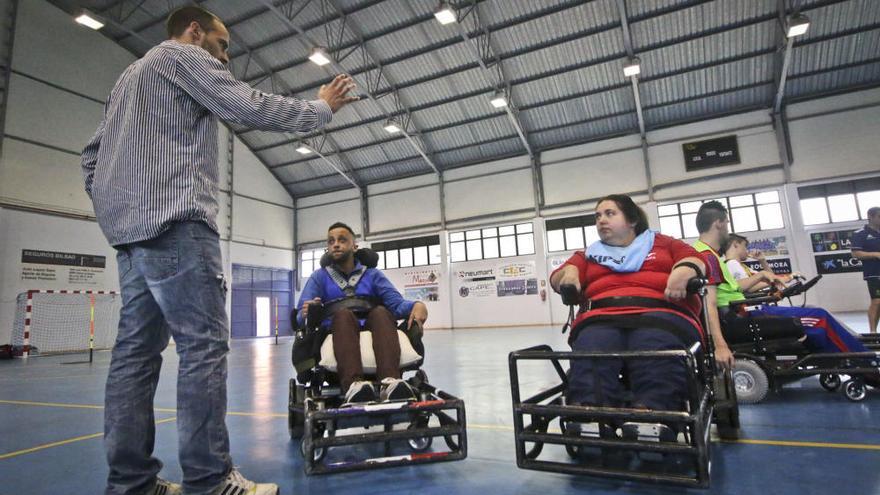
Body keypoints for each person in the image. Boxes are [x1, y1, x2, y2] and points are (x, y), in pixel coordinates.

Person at [80, 6, 357, 495]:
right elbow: (247, 106)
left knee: (134, 357)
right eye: (222, 43)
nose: (225, 56)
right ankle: (211, 482)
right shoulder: (181, 56)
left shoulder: (126, 79)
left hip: (130, 234)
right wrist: (321, 109)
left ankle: (131, 484)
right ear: (194, 32)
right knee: (203, 348)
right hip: (177, 223)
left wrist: (115, 208)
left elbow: (91, 156)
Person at [550, 194, 733, 441]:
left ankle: (653, 413)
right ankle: (589, 414)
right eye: (598, 216)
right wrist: (570, 273)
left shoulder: (664, 244)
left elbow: (696, 259)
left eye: (610, 213)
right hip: (602, 316)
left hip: (661, 313)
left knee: (653, 343)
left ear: (633, 220)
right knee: (594, 345)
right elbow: (557, 277)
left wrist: (685, 269)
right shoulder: (587, 254)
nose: (601, 220)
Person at [695, 202, 877, 361]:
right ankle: (864, 363)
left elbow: (732, 289)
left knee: (817, 319)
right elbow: (710, 303)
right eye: (727, 222)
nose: (728, 227)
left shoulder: (712, 255)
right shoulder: (707, 256)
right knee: (818, 317)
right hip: (740, 315)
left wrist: (762, 274)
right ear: (718, 223)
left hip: (741, 311)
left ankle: (850, 358)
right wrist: (719, 345)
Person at [297, 222, 429, 404]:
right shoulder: (319, 277)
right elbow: (298, 316)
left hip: (372, 324)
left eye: (342, 240)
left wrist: (417, 304)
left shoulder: (373, 275)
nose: (336, 244)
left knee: (382, 312)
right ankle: (354, 385)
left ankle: (390, 383)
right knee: (343, 315)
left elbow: (396, 305)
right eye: (331, 241)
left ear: (354, 246)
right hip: (338, 328)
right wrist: (306, 311)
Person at [852, 206, 880, 333]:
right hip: (874, 273)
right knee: (877, 301)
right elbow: (856, 254)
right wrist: (876, 254)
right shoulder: (860, 234)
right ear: (870, 216)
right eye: (879, 216)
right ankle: (873, 333)